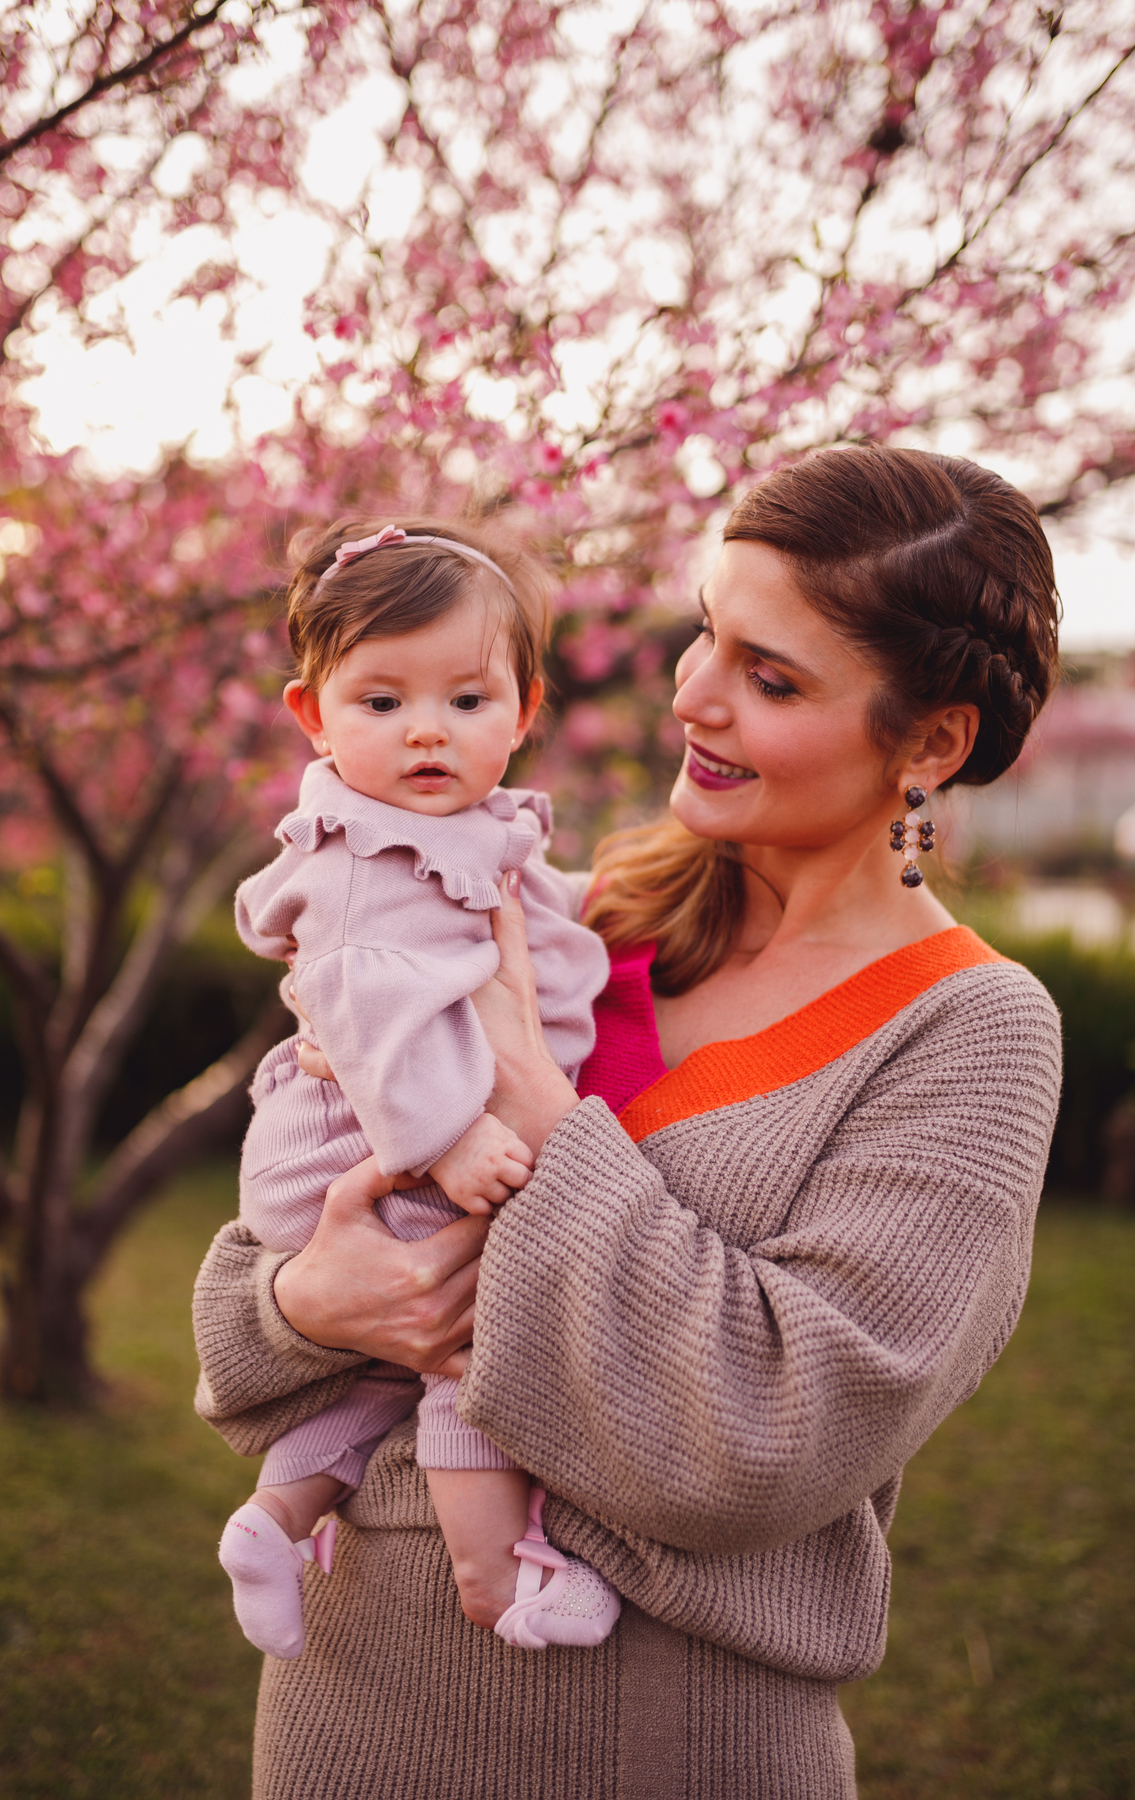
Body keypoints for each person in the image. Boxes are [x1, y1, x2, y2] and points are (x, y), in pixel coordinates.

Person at [193, 447, 1064, 1800]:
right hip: (346, 1726)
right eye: (707, 631)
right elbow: (257, 1297)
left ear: (932, 744)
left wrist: (547, 1129)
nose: (694, 697)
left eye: (771, 680)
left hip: (658, 1745)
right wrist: (312, 1307)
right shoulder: (566, 920)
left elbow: (766, 1441)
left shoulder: (968, 1032)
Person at [215, 517, 616, 1662]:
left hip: (379, 1143)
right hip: (373, 1140)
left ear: (525, 711)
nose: (425, 732)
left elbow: (527, 924)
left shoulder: (457, 829)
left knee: (382, 1371)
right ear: (314, 715)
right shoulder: (357, 858)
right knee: (469, 1343)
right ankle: (497, 1578)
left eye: (466, 702)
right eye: (381, 703)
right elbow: (369, 1009)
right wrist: (448, 1140)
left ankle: (277, 1516)